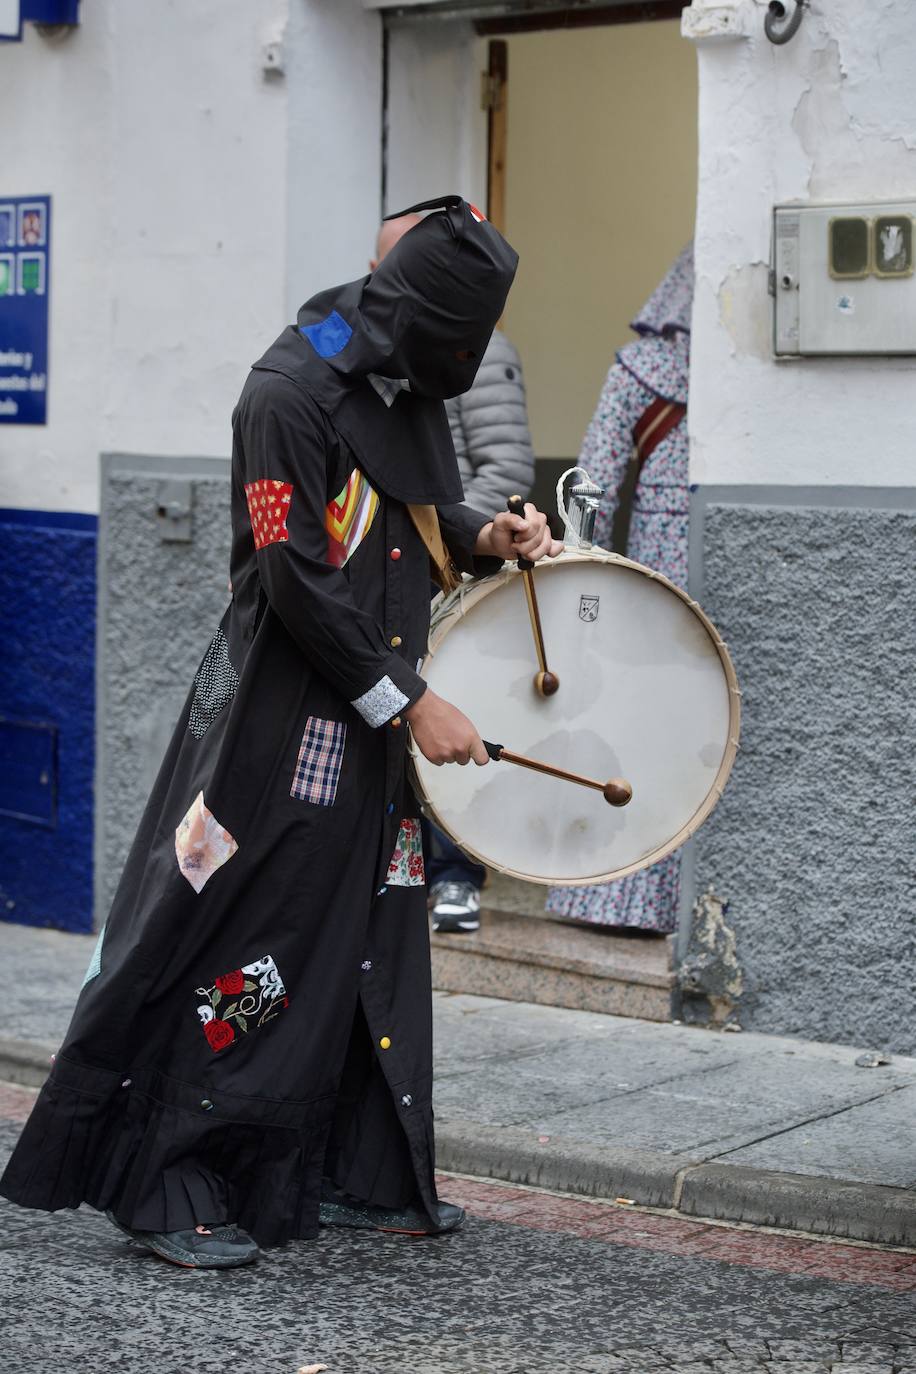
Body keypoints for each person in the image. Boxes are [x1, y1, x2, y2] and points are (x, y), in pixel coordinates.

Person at [0, 196, 562, 1269]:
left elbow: (401, 503)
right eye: (458, 347)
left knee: (366, 930)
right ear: (418, 321)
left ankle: (349, 1167)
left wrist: (486, 533)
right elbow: (294, 575)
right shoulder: (287, 389)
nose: (464, 364)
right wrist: (411, 697)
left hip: (367, 718)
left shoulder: (392, 373)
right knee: (250, 934)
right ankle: (169, 1178)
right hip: (281, 718)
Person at [373, 213, 536, 934]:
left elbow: (504, 465)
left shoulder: (477, 354)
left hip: (448, 570)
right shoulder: (327, 375)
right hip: (399, 573)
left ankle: (454, 873)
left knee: (449, 710)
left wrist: (469, 537)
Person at [546, 244, 693, 934]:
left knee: (638, 723)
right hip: (714, 570)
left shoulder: (640, 369)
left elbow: (593, 480)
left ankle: (612, 897)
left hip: (656, 576)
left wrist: (582, 576)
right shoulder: (754, 375)